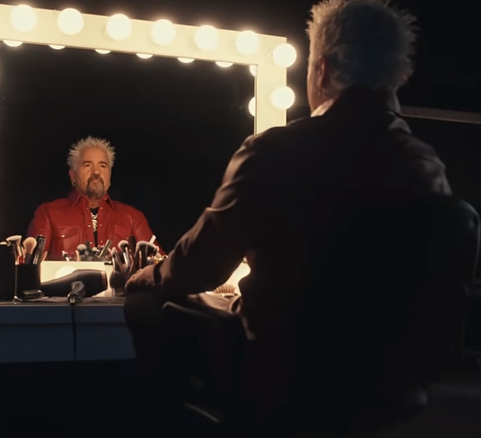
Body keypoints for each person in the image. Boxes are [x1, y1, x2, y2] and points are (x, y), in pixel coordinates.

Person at [124, 0, 452, 435]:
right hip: (388, 388)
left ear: (321, 70)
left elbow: (198, 268)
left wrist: (147, 275)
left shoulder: (274, 152)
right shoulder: (428, 170)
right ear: (395, 76)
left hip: (283, 380)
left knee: (144, 302)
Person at [27, 136, 161, 260]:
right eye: (87, 165)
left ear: (110, 175)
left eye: (103, 165)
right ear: (72, 175)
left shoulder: (133, 218)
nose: (96, 172)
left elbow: (159, 266)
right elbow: (30, 268)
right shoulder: (48, 214)